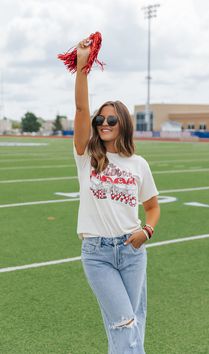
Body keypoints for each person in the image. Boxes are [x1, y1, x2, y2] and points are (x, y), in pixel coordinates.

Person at [73, 37, 161, 354]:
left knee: (131, 323)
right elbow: (81, 108)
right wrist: (83, 68)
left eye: (111, 119)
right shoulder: (87, 156)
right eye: (101, 119)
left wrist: (146, 231)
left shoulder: (139, 164)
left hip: (132, 251)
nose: (104, 123)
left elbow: (152, 206)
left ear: (123, 123)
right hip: (98, 254)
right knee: (125, 325)